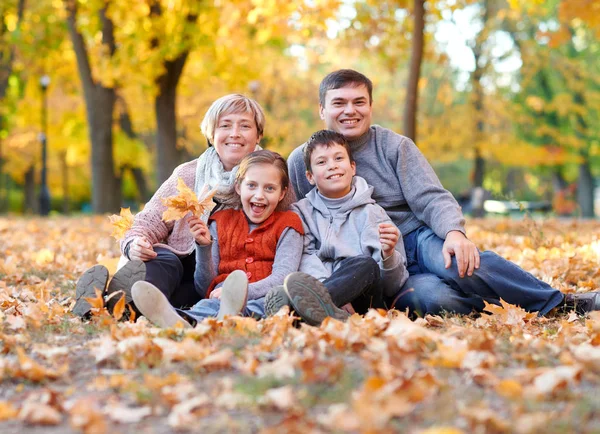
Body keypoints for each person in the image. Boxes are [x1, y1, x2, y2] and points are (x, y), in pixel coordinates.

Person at [287, 69, 600, 317]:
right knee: (432, 298)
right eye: (339, 103)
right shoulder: (302, 161)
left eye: (359, 102)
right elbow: (297, 225)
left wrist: (454, 233)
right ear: (322, 109)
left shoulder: (394, 146)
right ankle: (493, 308)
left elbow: (431, 197)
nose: (350, 111)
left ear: (370, 106)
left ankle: (559, 303)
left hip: (416, 239)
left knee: (463, 264)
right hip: (370, 259)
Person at [73, 94, 267, 318]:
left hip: (228, 275)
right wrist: (134, 243)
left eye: (245, 126)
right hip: (181, 268)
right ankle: (115, 304)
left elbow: (292, 226)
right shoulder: (189, 174)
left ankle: (113, 305)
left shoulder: (271, 176)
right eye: (225, 125)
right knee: (161, 259)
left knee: (200, 288)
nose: (235, 133)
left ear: (258, 134)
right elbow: (150, 219)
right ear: (211, 134)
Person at [131, 150, 304, 328]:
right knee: (206, 305)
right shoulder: (220, 221)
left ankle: (216, 320)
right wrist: (204, 247)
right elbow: (204, 286)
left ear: (282, 193)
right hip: (219, 298)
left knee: (269, 303)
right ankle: (182, 319)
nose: (259, 195)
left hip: (264, 296)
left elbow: (283, 275)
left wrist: (238, 293)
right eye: (251, 185)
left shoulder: (289, 224)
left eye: (269, 188)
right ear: (238, 187)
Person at [265, 130, 409, 326]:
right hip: (320, 290)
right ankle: (322, 310)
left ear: (352, 167)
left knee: (366, 265)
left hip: (364, 303)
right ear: (310, 176)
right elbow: (304, 258)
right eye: (322, 162)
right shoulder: (300, 213)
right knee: (300, 270)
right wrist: (335, 292)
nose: (332, 166)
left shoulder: (373, 214)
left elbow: (393, 286)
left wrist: (389, 254)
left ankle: (294, 311)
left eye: (338, 158)